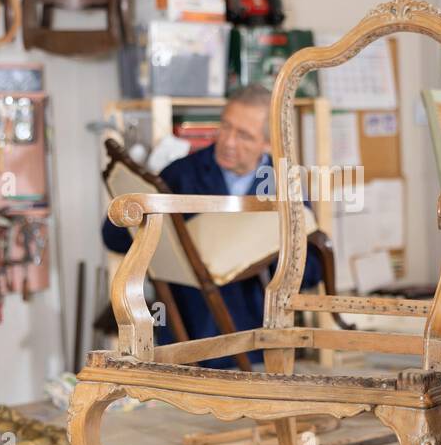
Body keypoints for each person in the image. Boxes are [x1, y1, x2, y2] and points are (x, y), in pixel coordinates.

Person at [102, 84, 322, 367]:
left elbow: (311, 272)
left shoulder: (284, 186)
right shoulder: (181, 174)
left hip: (255, 343)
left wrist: (268, 246)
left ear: (270, 143)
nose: (229, 142)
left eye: (244, 135)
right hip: (187, 341)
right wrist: (143, 212)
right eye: (226, 127)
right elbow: (113, 237)